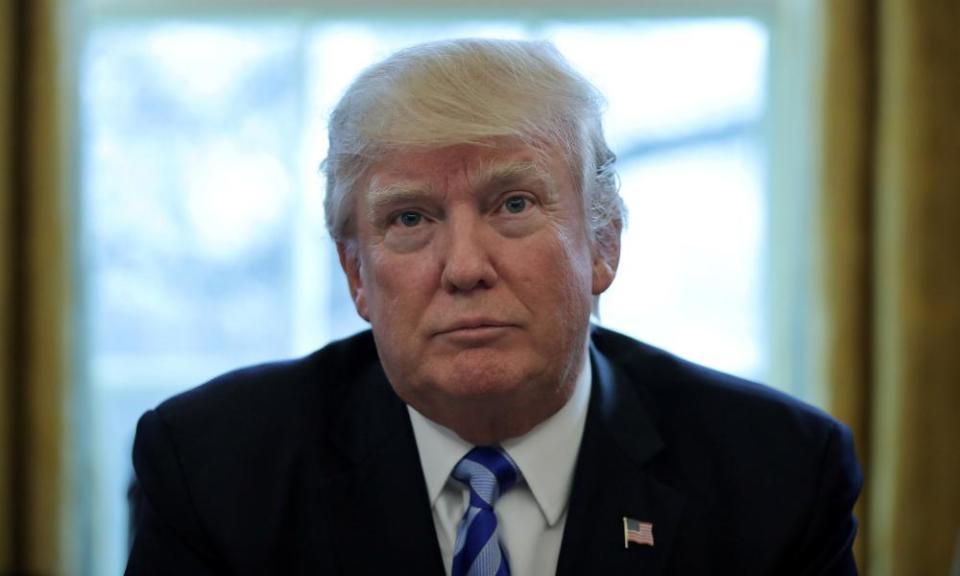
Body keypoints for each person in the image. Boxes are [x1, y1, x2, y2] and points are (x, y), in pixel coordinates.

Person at [125, 38, 862, 575]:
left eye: (513, 204)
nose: (466, 268)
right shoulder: (214, 472)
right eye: (410, 219)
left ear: (602, 243)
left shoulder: (779, 474)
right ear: (356, 274)